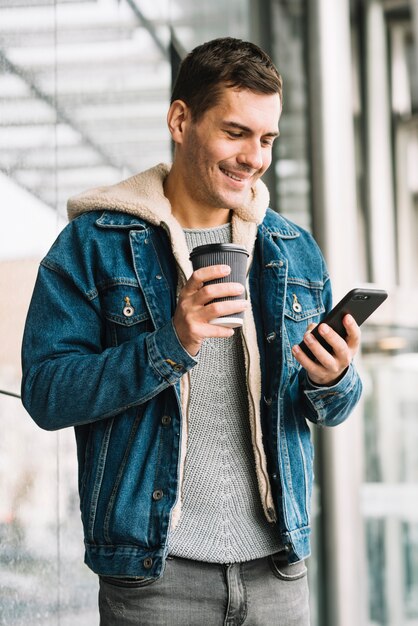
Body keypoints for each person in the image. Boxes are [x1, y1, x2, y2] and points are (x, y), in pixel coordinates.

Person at [21, 37, 362, 626]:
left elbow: (329, 409)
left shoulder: (293, 250)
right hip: (155, 579)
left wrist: (335, 380)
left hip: (278, 574)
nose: (254, 157)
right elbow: (48, 394)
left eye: (267, 139)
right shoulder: (94, 244)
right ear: (181, 120)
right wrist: (169, 346)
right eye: (235, 132)